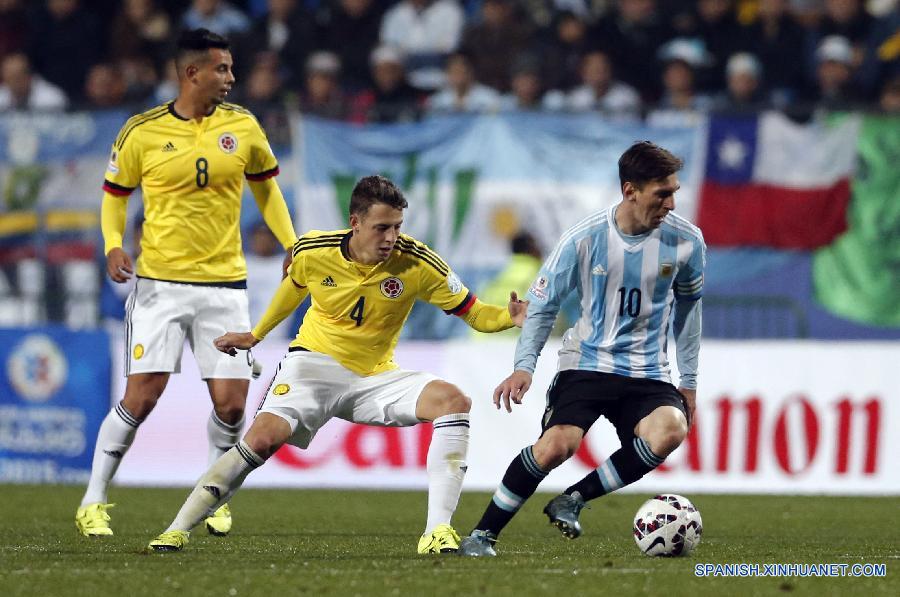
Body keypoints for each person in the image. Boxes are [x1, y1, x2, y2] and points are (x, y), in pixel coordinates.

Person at [146, 175, 528, 554]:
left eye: (397, 227)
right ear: (355, 223)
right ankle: (177, 529)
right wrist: (255, 335)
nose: (391, 237)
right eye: (381, 228)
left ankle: (437, 532)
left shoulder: (418, 263)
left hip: (376, 377)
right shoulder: (313, 251)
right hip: (312, 367)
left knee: (453, 401)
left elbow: (475, 313)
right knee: (261, 440)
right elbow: (292, 290)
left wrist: (509, 317)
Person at [75, 29, 298, 539]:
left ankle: (213, 494)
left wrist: (293, 244)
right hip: (160, 285)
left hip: (225, 286)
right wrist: (113, 242)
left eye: (232, 68)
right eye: (222, 69)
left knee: (233, 405)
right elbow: (115, 195)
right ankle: (93, 499)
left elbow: (268, 193)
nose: (231, 78)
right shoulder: (142, 131)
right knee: (142, 398)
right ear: (191, 73)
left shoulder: (243, 125)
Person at [458, 141, 705, 557]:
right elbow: (542, 305)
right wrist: (524, 367)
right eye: (662, 193)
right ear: (630, 191)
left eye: (674, 191)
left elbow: (688, 312)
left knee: (670, 429)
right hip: (586, 364)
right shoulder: (583, 239)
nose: (671, 202)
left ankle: (573, 499)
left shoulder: (687, 242)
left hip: (647, 371)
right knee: (556, 447)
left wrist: (690, 381)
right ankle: (483, 534)